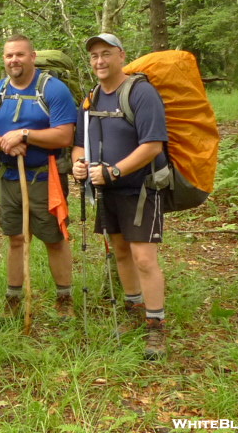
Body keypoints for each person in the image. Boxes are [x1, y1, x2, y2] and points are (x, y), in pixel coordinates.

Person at [71, 33, 168, 360]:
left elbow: (152, 145)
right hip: (105, 189)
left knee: (144, 258)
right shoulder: (91, 98)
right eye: (95, 55)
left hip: (140, 188)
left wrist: (115, 171)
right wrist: (78, 165)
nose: (100, 61)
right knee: (121, 253)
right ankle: (133, 308)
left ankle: (156, 326)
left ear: (121, 55)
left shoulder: (141, 93)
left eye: (106, 54)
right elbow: (79, 142)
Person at [0, 34, 77, 319]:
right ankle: (14, 297)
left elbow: (65, 134)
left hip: (46, 178)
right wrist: (4, 142)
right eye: (9, 56)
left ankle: (64, 297)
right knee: (16, 239)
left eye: (19, 54)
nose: (13, 60)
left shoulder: (54, 90)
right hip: (9, 178)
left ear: (32, 56)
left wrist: (26, 134)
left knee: (54, 238)